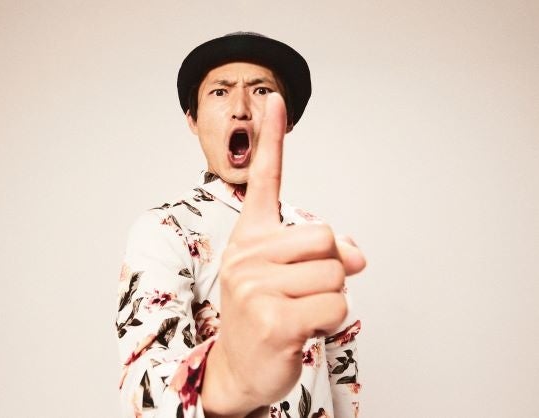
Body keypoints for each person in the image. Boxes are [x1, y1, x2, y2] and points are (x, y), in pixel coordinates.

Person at [116, 32, 366, 418]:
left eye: (261, 90)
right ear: (193, 119)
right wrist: (234, 379)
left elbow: (343, 382)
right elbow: (146, 386)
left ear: (288, 120)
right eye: (220, 92)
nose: (241, 109)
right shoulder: (164, 230)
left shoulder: (314, 234)